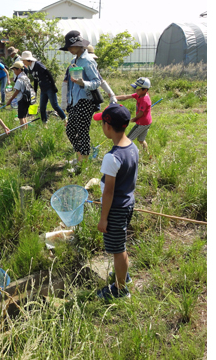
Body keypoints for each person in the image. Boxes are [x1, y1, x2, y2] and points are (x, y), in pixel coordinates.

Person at [92, 104, 139, 300]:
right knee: (120, 244)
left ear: (108, 126)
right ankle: (123, 275)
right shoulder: (132, 147)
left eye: (102, 123)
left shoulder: (111, 157)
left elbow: (109, 192)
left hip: (115, 209)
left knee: (118, 249)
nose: (102, 126)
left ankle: (120, 290)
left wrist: (104, 218)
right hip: (127, 203)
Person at [61, 30, 105, 164]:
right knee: (70, 130)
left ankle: (83, 163)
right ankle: (80, 157)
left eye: (71, 46)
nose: (69, 49)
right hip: (75, 101)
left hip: (86, 101)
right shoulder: (74, 61)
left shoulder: (88, 61)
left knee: (82, 132)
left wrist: (83, 83)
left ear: (79, 45)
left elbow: (97, 82)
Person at [21, 50, 66, 126]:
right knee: (42, 107)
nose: (23, 62)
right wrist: (34, 91)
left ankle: (65, 120)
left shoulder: (38, 65)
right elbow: (35, 80)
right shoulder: (30, 68)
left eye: (23, 60)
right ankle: (45, 124)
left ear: (27, 59)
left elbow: (48, 73)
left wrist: (53, 86)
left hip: (49, 87)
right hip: (43, 89)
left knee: (55, 106)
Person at [115, 77, 152, 153]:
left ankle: (132, 153)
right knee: (141, 140)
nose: (136, 91)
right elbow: (126, 97)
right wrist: (114, 97)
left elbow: (141, 113)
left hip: (143, 123)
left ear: (145, 90)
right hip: (146, 123)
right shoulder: (139, 95)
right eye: (136, 89)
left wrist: (135, 118)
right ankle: (147, 154)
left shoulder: (144, 100)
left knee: (128, 139)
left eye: (138, 89)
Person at [5, 61, 33, 127]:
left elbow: (16, 91)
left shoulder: (19, 80)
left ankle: (23, 130)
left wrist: (10, 100)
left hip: (21, 100)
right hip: (27, 99)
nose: (14, 72)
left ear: (19, 69)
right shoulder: (26, 77)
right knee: (24, 116)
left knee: (21, 117)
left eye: (15, 70)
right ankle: (26, 130)